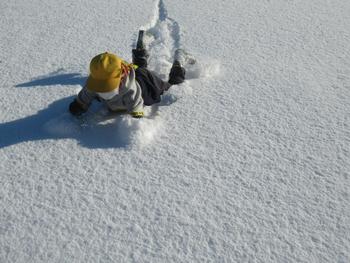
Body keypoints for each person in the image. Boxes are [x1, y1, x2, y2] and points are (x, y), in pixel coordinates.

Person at [68, 43, 186, 118]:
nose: (103, 90)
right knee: (140, 68)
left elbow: (136, 104)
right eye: (101, 86)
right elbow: (86, 93)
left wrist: (136, 114)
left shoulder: (130, 89)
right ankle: (140, 54)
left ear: (122, 76)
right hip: (132, 72)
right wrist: (79, 105)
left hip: (146, 82)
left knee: (169, 87)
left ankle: (178, 63)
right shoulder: (94, 83)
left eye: (108, 86)